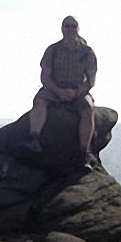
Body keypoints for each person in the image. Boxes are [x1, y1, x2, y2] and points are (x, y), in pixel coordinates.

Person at [23, 15, 97, 172]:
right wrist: (57, 91)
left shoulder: (87, 52)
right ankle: (34, 138)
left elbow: (91, 80)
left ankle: (84, 153)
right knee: (39, 101)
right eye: (67, 26)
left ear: (78, 28)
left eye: (73, 26)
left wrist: (76, 92)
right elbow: (45, 76)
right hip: (54, 89)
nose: (70, 29)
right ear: (62, 28)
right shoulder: (53, 50)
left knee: (87, 110)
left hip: (77, 90)